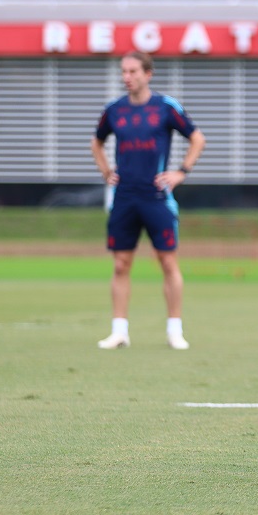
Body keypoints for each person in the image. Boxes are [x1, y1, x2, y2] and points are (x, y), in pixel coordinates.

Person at [91, 51, 207, 351]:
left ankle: (175, 330)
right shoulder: (114, 110)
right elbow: (97, 140)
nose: (126, 77)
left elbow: (197, 138)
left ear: (148, 73)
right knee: (120, 264)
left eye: (132, 71)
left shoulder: (165, 107)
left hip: (157, 198)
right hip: (124, 198)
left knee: (168, 262)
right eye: (123, 71)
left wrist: (180, 172)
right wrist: (106, 170)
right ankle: (119, 331)